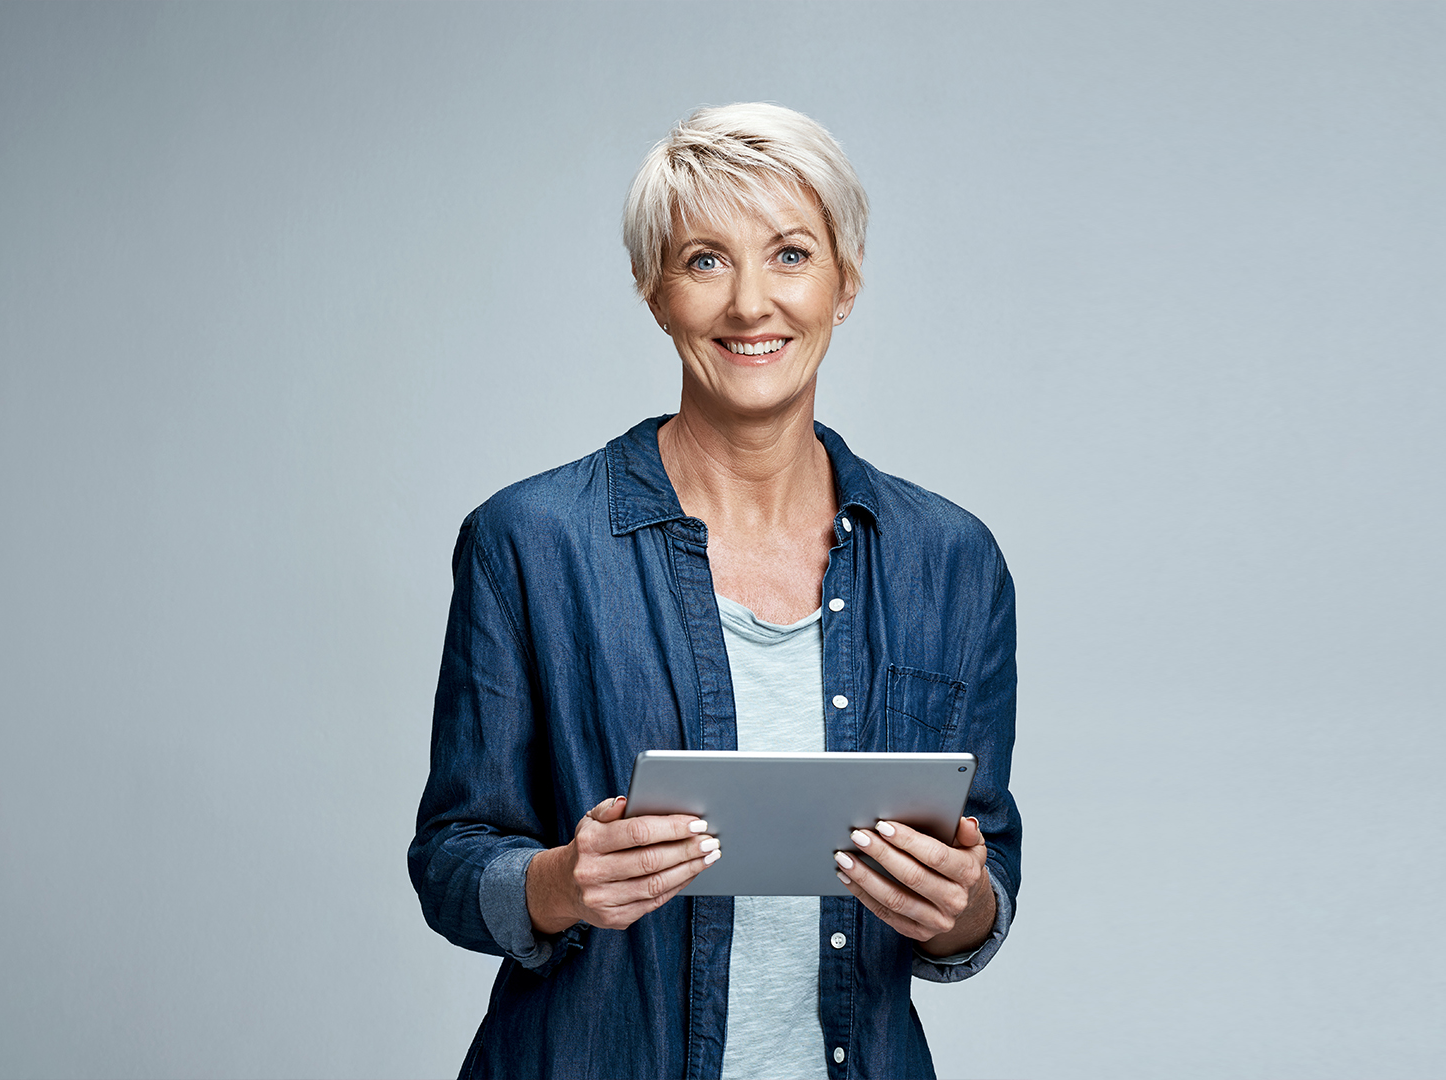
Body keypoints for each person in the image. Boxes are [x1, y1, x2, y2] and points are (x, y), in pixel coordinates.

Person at [410, 102, 1021, 1080]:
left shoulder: (952, 560)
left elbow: (989, 869)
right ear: (656, 293)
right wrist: (559, 884)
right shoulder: (529, 541)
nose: (749, 304)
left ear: (845, 281)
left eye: (789, 254)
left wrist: (963, 905)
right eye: (704, 260)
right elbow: (450, 858)